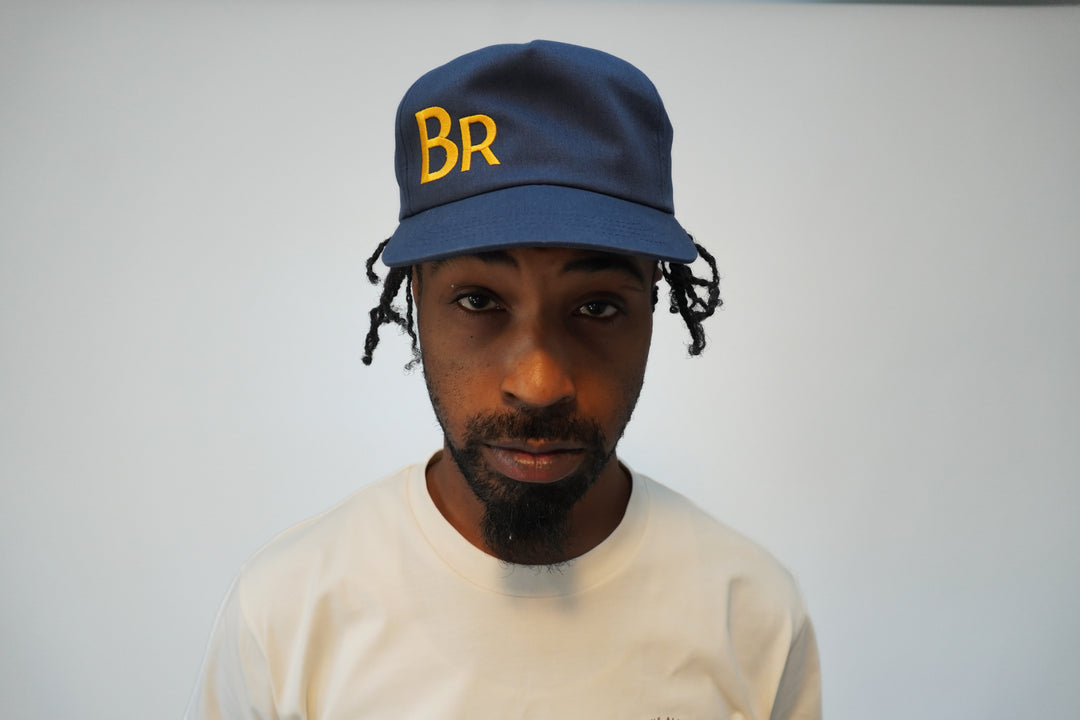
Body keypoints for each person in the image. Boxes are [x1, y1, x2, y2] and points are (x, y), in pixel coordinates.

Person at [186, 40, 821, 719]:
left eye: (596, 308)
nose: (540, 384)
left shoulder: (753, 613)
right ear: (415, 302)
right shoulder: (284, 613)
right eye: (479, 301)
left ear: (653, 307)